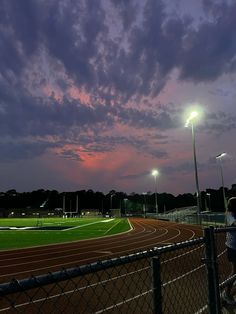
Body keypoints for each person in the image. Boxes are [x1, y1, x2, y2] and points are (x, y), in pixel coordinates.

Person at [222, 197, 236, 305]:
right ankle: (226, 293)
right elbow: (234, 223)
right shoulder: (229, 215)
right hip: (233, 247)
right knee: (234, 271)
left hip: (233, 246)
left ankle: (227, 292)